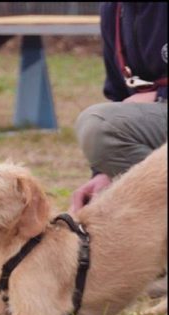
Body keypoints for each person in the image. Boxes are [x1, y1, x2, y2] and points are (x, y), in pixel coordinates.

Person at [70, 2, 167, 213]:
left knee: (98, 124)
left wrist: (160, 95)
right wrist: (104, 172)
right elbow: (119, 94)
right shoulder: (113, 9)